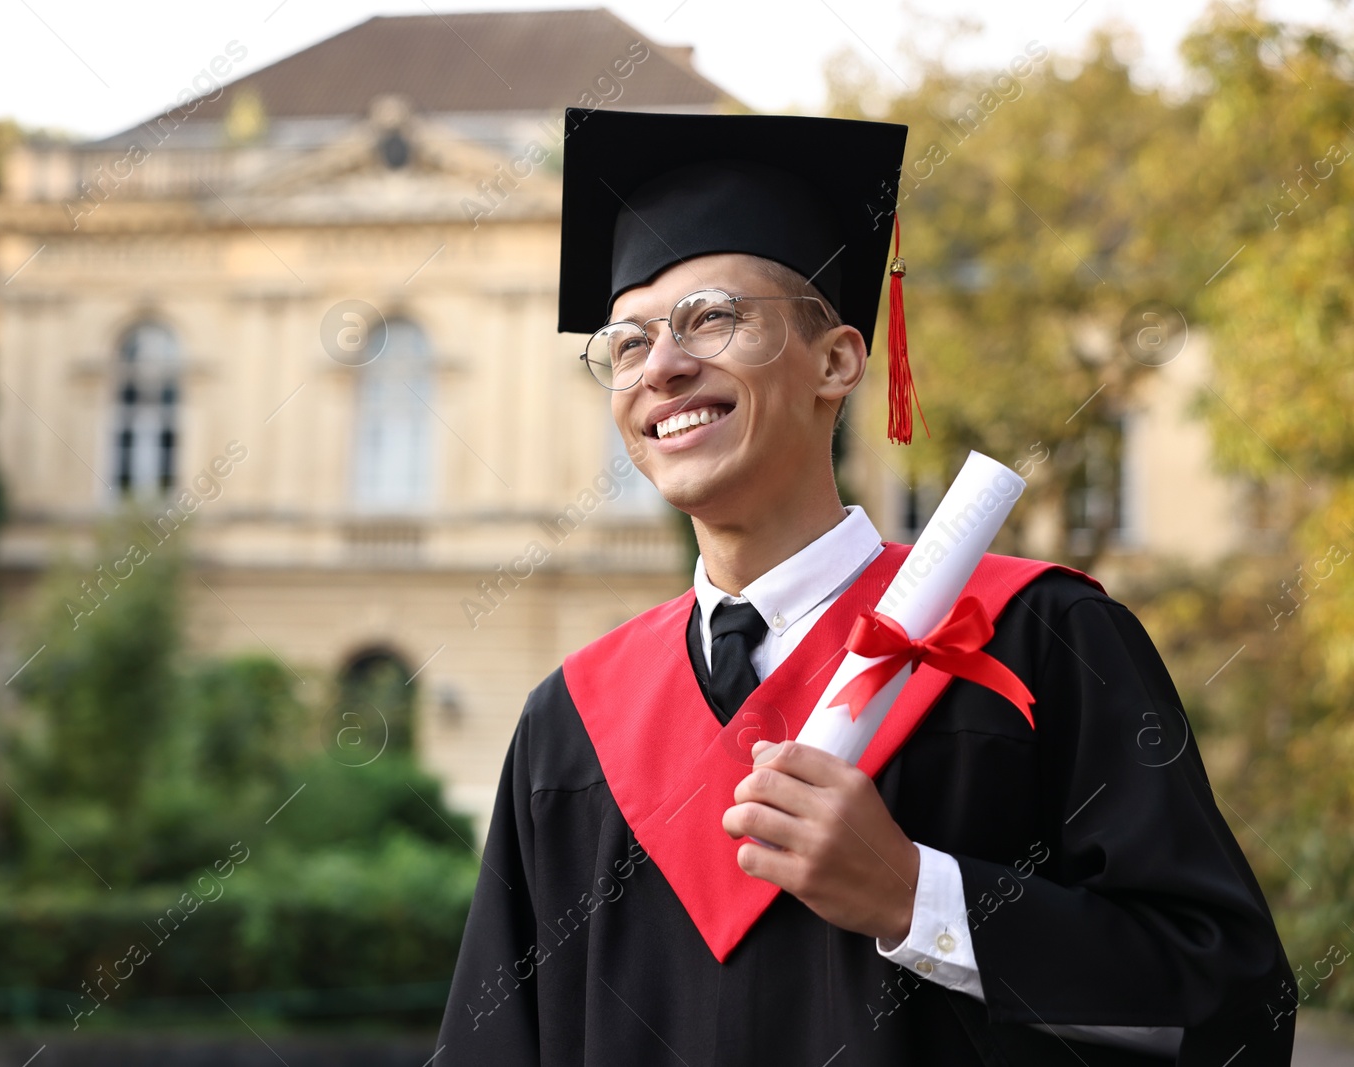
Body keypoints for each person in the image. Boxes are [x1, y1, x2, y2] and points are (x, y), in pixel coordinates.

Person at [434, 108, 1294, 1066]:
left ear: (838, 360)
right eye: (627, 344)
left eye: (710, 319)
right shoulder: (572, 719)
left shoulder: (1038, 637)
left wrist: (916, 897)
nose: (662, 367)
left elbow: (1228, 1007)